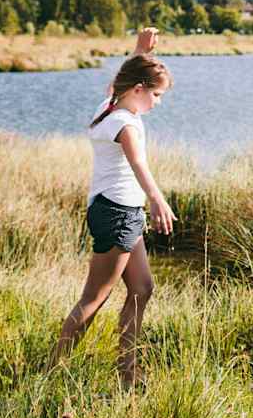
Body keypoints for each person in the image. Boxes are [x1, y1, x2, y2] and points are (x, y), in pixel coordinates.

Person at [48, 30, 176, 390]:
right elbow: (138, 163)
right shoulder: (123, 123)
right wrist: (158, 198)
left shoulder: (109, 106)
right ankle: (52, 375)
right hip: (118, 213)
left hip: (121, 211)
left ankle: (128, 374)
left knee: (142, 288)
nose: (157, 102)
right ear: (138, 89)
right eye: (156, 95)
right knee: (94, 298)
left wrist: (139, 52)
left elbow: (117, 84)